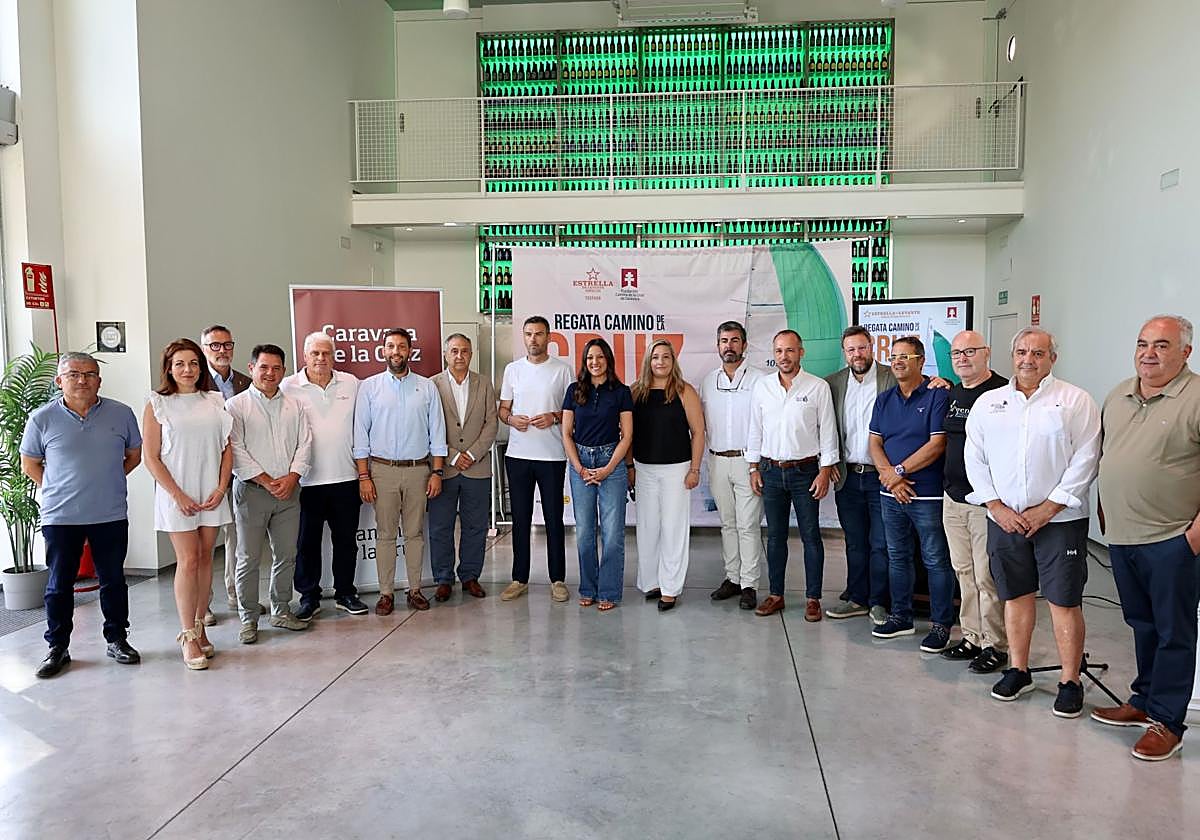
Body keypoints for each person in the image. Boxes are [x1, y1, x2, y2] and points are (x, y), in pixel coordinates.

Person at [965, 327, 1100, 717]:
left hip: (1060, 521)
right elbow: (975, 458)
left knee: (1064, 601)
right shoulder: (990, 403)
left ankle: (1070, 681)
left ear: (1052, 358)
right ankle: (1018, 670)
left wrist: (1049, 508)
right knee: (1015, 596)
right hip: (1005, 520)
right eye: (1022, 352)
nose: (1028, 360)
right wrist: (996, 506)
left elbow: (1087, 458)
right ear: (1012, 356)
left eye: (1038, 353)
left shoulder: (1075, 400)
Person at [1094, 315, 1200, 760]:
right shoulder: (1119, 394)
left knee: (1175, 631)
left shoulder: (1195, 397)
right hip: (1123, 536)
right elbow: (1108, 454)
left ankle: (1168, 722)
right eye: (1142, 344)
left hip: (1172, 538)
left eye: (1161, 345)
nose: (1149, 354)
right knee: (1142, 623)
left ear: (1185, 352)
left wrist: (1195, 535)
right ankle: (1144, 700)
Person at [20, 352, 143, 678]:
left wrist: (107, 482)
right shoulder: (42, 419)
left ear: (99, 381)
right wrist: (58, 488)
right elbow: (29, 463)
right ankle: (57, 646)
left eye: (89, 374)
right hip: (61, 517)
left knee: (113, 581)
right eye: (74, 374)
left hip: (109, 513)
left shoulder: (121, 413)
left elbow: (134, 455)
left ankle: (117, 639)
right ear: (59, 380)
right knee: (59, 584)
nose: (82, 380)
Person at [142, 339, 232, 670]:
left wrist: (221, 488)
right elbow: (151, 457)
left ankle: (200, 626)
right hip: (176, 495)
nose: (187, 369)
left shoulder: (214, 400)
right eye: (179, 363)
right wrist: (177, 495)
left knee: (207, 558)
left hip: (211, 494)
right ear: (168, 368)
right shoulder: (157, 404)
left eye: (193, 363)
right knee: (189, 560)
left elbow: (227, 449)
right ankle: (187, 636)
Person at [868, 335, 955, 653]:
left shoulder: (936, 395)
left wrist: (899, 472)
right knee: (898, 556)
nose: (898, 362)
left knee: (935, 559)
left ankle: (941, 625)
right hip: (890, 494)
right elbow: (874, 443)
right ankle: (901, 617)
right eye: (894, 357)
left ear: (921, 361)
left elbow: (937, 444)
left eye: (905, 357)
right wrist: (891, 478)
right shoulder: (884, 399)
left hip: (927, 495)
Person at [354, 328, 446, 614]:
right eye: (391, 346)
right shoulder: (369, 387)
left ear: (410, 351)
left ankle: (415, 589)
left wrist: (437, 472)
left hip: (419, 470)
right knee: (385, 534)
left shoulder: (426, 387)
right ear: (383, 351)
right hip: (382, 471)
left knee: (415, 533)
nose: (396, 351)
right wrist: (364, 476)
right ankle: (385, 594)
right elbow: (360, 435)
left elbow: (437, 432)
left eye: (402, 346)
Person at [747, 330, 837, 619]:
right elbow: (755, 429)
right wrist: (753, 467)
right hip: (771, 471)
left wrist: (825, 471)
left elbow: (828, 431)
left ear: (801, 352)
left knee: (811, 536)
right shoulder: (763, 387)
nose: (784, 356)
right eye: (779, 351)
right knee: (775, 537)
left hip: (806, 472)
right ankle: (776, 595)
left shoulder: (817, 387)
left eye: (789, 350)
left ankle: (813, 598)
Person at [227, 343, 313, 643]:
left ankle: (281, 609)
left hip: (289, 492)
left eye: (276, 368)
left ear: (284, 371)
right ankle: (249, 618)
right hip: (252, 491)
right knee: (248, 558)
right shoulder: (236, 406)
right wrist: (265, 480)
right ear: (252, 368)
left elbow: (305, 443)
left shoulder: (295, 405)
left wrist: (292, 477)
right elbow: (235, 449)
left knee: (287, 554)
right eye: (264, 367)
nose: (270, 373)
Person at [280, 332, 369, 620]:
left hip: (346, 477)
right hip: (306, 482)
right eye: (315, 353)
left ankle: (345, 593)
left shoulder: (351, 383)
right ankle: (309, 597)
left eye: (326, 353)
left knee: (346, 541)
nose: (321, 358)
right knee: (307, 543)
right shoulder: (288, 386)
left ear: (334, 355)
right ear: (305, 356)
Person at [939, 331, 1010, 673]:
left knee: (986, 577)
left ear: (987, 353)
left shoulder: (1003, 393)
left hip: (985, 502)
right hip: (953, 498)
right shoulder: (953, 391)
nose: (962, 358)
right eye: (956, 353)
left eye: (970, 352)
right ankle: (972, 637)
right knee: (964, 573)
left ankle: (995, 644)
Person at [498, 316, 574, 603]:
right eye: (528, 334)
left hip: (552, 456)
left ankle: (558, 579)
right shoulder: (513, 370)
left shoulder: (562, 371)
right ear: (523, 336)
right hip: (518, 456)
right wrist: (511, 419)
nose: (533, 339)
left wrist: (554, 416)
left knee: (554, 519)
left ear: (548, 337)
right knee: (520, 519)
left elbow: (572, 412)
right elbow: (503, 410)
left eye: (539, 334)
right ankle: (519, 578)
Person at [824, 326, 895, 624]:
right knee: (854, 541)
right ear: (844, 353)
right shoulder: (833, 383)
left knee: (881, 543)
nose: (857, 354)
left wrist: (942, 383)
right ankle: (857, 598)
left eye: (862, 348)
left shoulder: (891, 377)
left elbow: (921, 387)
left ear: (872, 347)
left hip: (882, 476)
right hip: (849, 476)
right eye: (851, 349)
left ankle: (878, 602)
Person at [630, 339, 705, 612]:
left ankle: (670, 589)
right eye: (655, 357)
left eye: (665, 357)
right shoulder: (635, 392)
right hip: (644, 469)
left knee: (674, 529)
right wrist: (629, 468)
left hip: (677, 470)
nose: (660, 362)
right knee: (647, 528)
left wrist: (694, 469)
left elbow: (698, 432)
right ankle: (652, 582)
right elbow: (627, 434)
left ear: (673, 361)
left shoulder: (685, 391)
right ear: (647, 361)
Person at [562, 338, 633, 611]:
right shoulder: (574, 390)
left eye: (600, 357)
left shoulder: (621, 392)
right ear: (584, 361)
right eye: (590, 358)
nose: (595, 362)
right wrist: (579, 467)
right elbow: (566, 433)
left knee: (612, 534)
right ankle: (588, 588)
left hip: (610, 461)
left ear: (608, 360)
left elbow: (627, 436)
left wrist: (608, 469)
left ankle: (609, 591)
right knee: (584, 532)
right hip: (580, 462)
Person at [699, 321, 765, 611]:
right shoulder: (708, 381)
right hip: (717, 460)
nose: (729, 346)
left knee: (747, 524)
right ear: (718, 346)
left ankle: (750, 584)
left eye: (735, 340)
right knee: (728, 523)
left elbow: (764, 423)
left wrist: (756, 464)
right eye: (724, 341)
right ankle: (733, 578)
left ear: (744, 345)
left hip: (748, 461)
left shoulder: (760, 380)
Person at [429, 333, 498, 601]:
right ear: (445, 354)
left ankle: (470, 576)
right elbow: (428, 427)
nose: (460, 356)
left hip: (477, 468)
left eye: (465, 351)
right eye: (454, 351)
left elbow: (491, 424)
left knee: (476, 526)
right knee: (440, 527)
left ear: (471, 354)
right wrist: (453, 456)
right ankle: (443, 578)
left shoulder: (484, 384)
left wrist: (471, 454)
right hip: (444, 469)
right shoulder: (432, 385)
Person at [200, 324, 251, 624]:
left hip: (240, 472)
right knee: (205, 543)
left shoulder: (245, 382)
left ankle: (236, 593)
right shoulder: (194, 381)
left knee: (237, 537)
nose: (222, 350)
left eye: (227, 344)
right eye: (215, 345)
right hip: (206, 473)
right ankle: (203, 604)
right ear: (204, 348)